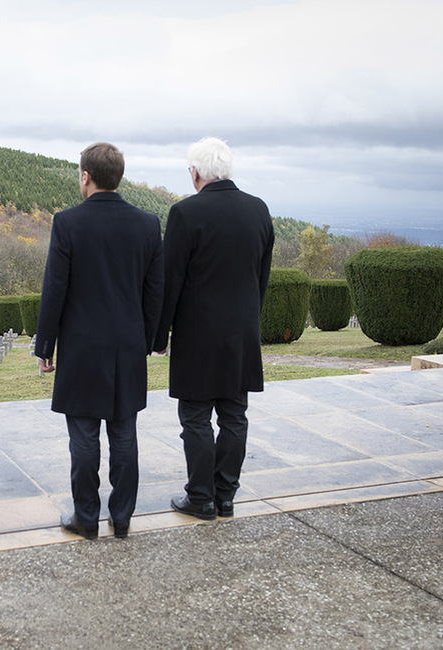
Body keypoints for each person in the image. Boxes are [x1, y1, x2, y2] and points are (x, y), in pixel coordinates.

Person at [36, 142, 164, 539]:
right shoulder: (147, 224)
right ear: (118, 176)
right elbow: (154, 290)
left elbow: (54, 289)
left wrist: (45, 346)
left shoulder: (68, 222)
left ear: (86, 176)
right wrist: (150, 339)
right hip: (127, 344)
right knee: (124, 434)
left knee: (84, 436)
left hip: (81, 346)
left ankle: (86, 517)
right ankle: (122, 517)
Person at [154, 137, 274, 521]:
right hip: (241, 331)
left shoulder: (185, 213)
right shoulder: (259, 210)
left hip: (197, 334)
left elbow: (169, 280)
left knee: (195, 416)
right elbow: (262, 277)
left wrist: (158, 337)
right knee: (234, 416)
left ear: (196, 173)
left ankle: (201, 497)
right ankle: (226, 496)